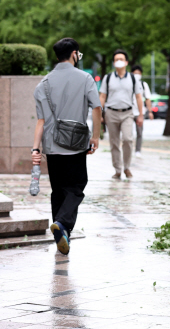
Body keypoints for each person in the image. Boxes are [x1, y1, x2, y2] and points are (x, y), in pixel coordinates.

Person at [31, 38, 102, 255]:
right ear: (74, 54)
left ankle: (62, 234)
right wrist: (96, 137)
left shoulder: (43, 84)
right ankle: (61, 224)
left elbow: (41, 121)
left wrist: (36, 149)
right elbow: (97, 108)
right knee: (77, 186)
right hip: (75, 145)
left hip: (52, 146)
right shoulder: (85, 78)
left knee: (58, 190)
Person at [99, 49, 144, 179]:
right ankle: (118, 169)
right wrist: (100, 114)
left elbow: (139, 97)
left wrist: (140, 115)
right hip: (111, 113)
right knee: (114, 142)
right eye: (116, 59)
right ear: (113, 63)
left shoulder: (133, 78)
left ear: (126, 62)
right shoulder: (107, 78)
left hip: (127, 113)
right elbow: (102, 96)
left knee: (128, 139)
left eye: (121, 59)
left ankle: (127, 167)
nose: (119, 62)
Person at [131, 65, 153, 157]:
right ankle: (128, 149)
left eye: (138, 73)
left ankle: (138, 150)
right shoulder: (127, 83)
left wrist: (150, 111)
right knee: (127, 133)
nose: (137, 75)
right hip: (128, 112)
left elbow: (147, 98)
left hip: (139, 113)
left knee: (139, 132)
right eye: (135, 73)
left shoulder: (143, 85)